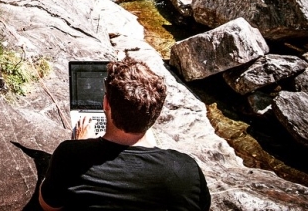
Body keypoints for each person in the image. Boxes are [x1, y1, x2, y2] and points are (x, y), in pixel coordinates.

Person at [39, 57, 211, 210]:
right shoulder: (187, 170)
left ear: (106, 103)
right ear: (156, 114)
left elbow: (48, 205)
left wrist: (83, 145)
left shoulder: (70, 155)